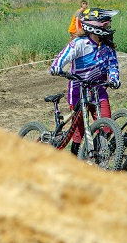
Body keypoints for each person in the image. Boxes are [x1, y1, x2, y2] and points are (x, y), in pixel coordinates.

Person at [50, 8, 121, 156]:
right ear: (94, 27)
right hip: (78, 91)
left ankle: (93, 156)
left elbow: (113, 65)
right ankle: (74, 159)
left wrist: (114, 79)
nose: (108, 29)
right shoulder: (79, 43)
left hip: (99, 91)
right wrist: (57, 67)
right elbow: (62, 57)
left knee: (107, 127)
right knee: (79, 132)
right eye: (105, 26)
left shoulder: (107, 46)